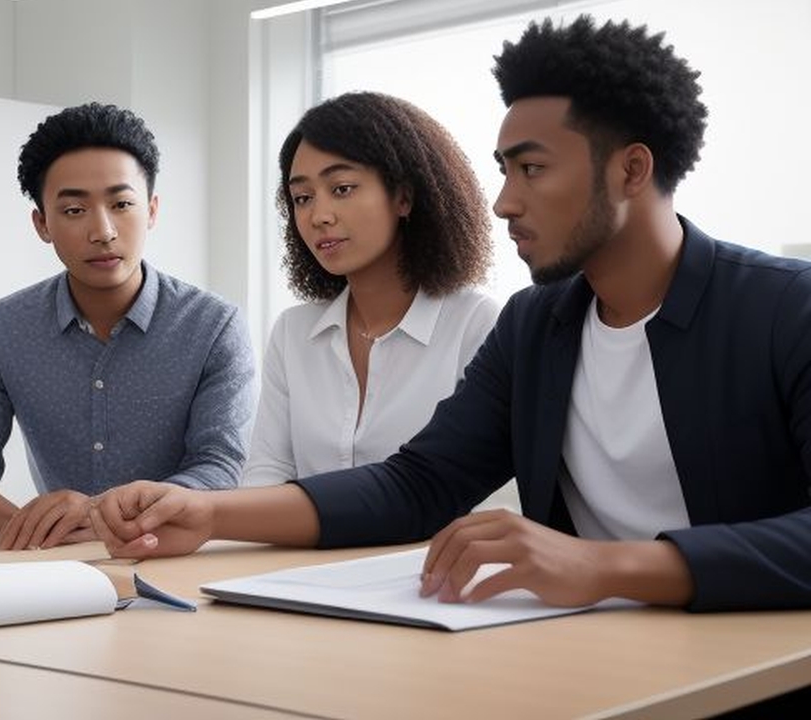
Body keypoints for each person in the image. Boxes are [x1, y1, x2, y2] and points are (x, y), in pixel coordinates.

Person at [89, 15, 811, 613]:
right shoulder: (535, 325)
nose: (504, 202)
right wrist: (211, 515)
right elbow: (418, 484)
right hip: (584, 651)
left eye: (531, 169)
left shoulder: (786, 308)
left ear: (631, 170)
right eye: (502, 171)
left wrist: (608, 566)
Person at [0, 102, 255, 551]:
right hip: (54, 563)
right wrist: (37, 523)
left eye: (121, 204)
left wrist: (99, 515)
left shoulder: (214, 326)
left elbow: (219, 468)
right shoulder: (1, 329)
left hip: (175, 557)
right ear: (42, 223)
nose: (103, 231)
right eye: (75, 210)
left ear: (152, 210)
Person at [244, 91, 496, 487]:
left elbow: (463, 484)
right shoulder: (293, 331)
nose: (319, 216)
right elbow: (267, 471)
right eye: (302, 198)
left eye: (342, 188)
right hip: (303, 548)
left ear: (404, 196)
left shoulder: (475, 324)